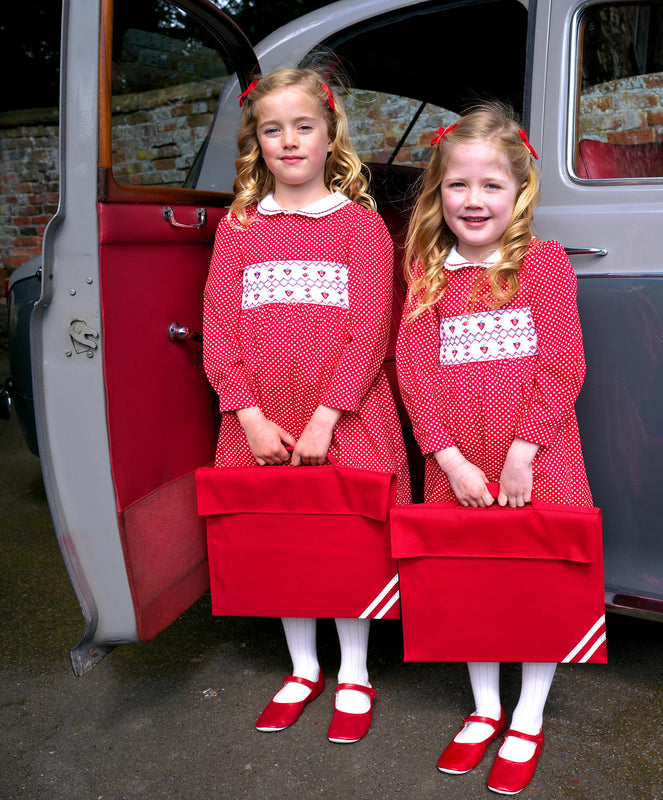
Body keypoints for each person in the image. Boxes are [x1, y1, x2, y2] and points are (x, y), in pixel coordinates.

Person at [202, 67, 411, 744]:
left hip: (342, 417)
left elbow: (371, 329)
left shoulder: (359, 226)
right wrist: (248, 414)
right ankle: (301, 668)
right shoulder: (238, 228)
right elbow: (218, 326)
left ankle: (353, 670)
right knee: (282, 541)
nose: (288, 141)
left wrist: (327, 416)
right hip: (261, 420)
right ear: (256, 142)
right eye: (272, 129)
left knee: (344, 541)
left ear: (329, 136)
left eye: (303, 127)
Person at [395, 104, 594, 794]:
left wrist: (522, 453)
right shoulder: (428, 271)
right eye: (458, 186)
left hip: (535, 456)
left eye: (491, 186)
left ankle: (529, 714)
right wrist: (447, 458)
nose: (473, 201)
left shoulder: (541, 263)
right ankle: (485, 709)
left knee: (535, 582)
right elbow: (413, 370)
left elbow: (563, 364)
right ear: (437, 193)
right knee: (472, 582)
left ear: (519, 192)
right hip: (459, 461)